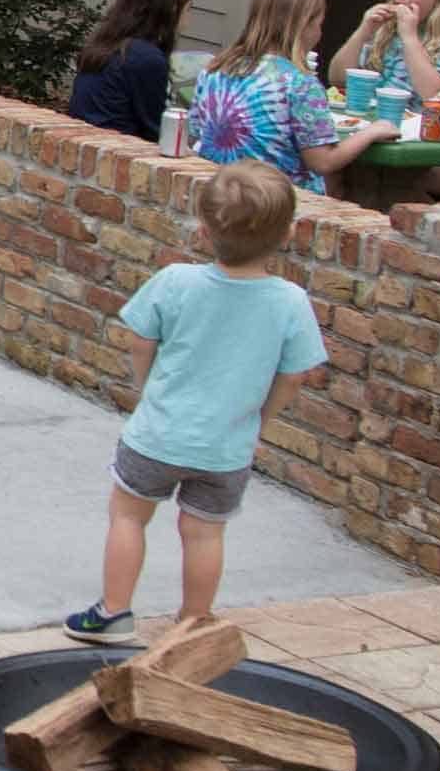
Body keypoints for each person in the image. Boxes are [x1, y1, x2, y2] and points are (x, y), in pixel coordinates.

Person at [64, 161, 328, 644]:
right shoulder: (290, 301)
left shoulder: (175, 282)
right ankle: (192, 624)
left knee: (128, 515)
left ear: (203, 231)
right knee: (204, 532)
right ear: (288, 233)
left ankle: (114, 613)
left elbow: (140, 338)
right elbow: (296, 375)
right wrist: (261, 421)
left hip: (157, 434)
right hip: (227, 447)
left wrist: (147, 388)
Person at [188, 0, 392, 193]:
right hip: (277, 202)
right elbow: (323, 161)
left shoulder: (214, 70)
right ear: (303, 27)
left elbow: (194, 136)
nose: (320, 33)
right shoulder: (300, 83)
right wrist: (371, 132)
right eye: (319, 25)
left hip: (221, 192)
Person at [66, 0, 195, 140]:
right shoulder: (145, 58)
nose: (190, 16)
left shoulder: (106, 44)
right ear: (173, 8)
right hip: (119, 151)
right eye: (189, 8)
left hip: (83, 143)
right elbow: (155, 129)